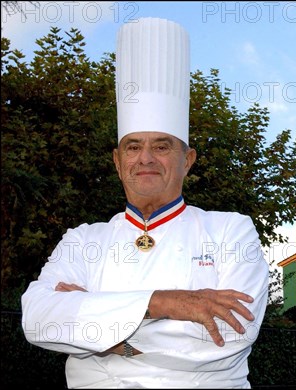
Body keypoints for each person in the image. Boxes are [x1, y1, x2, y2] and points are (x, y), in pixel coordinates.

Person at [21, 17, 269, 388]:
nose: (146, 159)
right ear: (118, 162)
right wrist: (163, 303)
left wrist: (96, 330)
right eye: (133, 146)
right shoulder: (83, 240)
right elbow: (37, 319)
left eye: (162, 146)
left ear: (188, 160)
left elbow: (228, 338)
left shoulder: (231, 229)